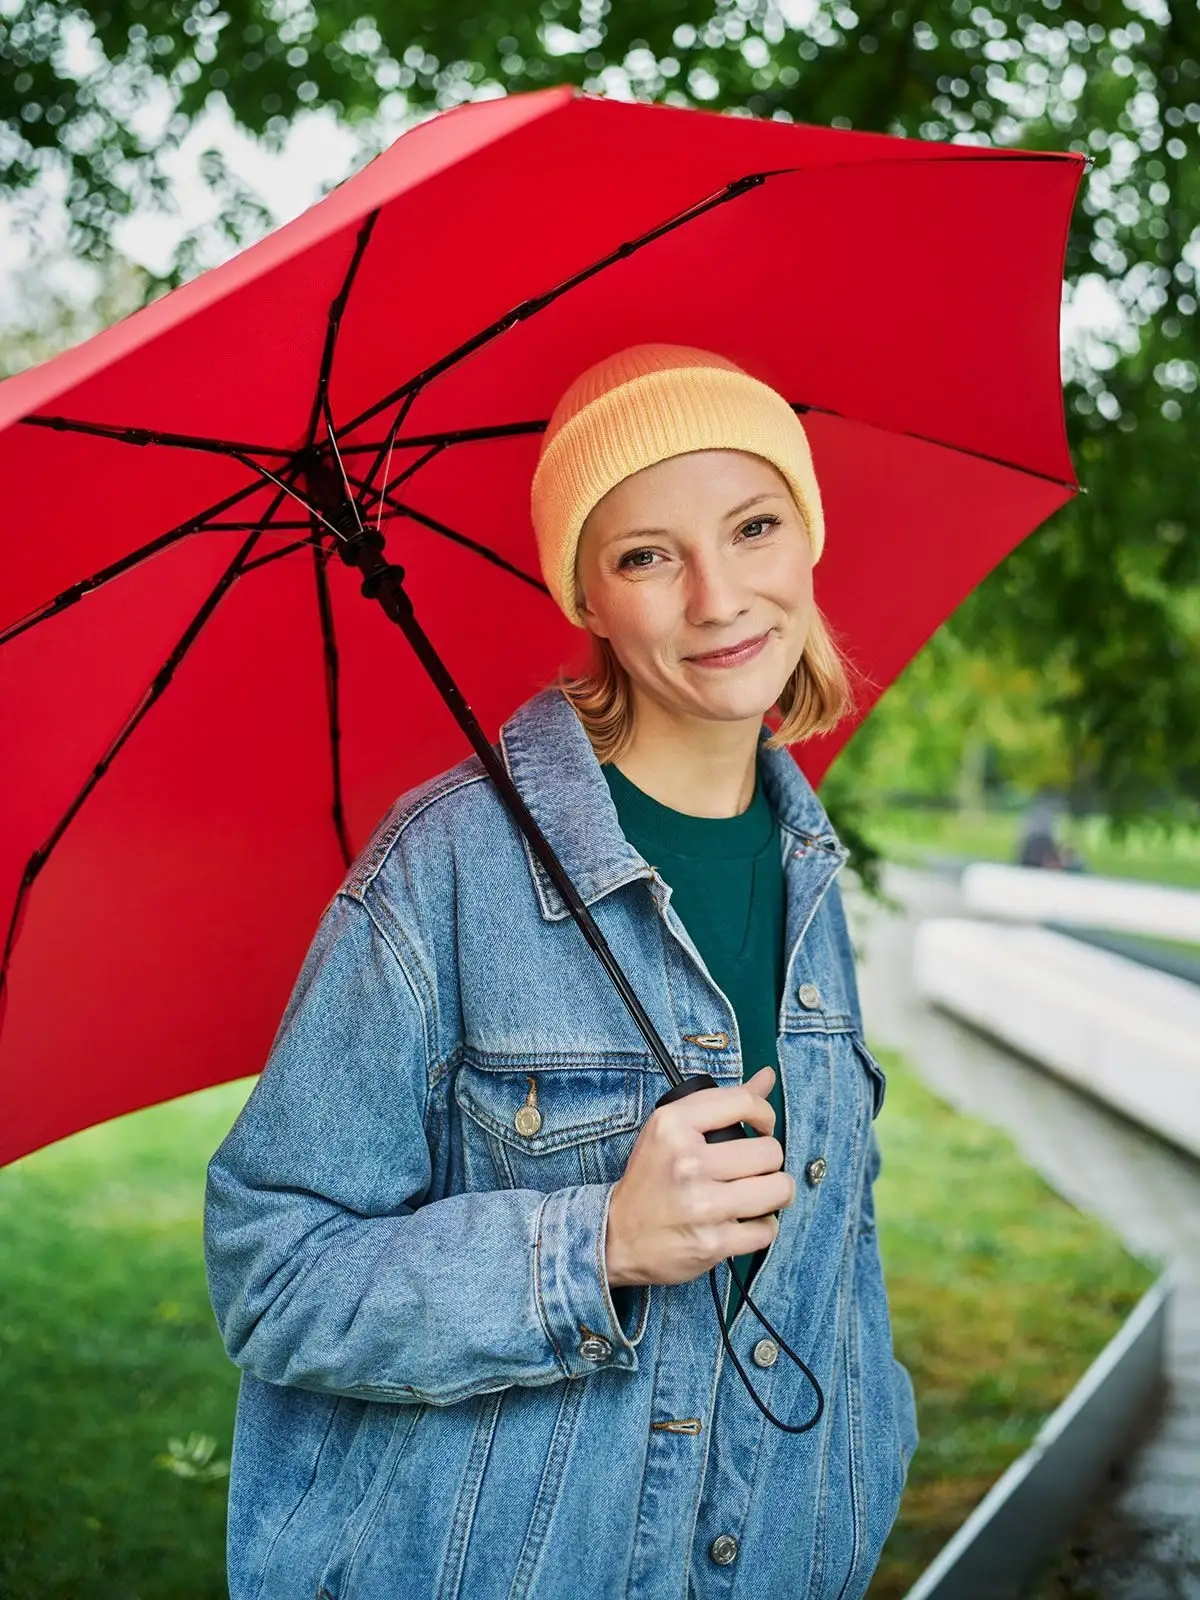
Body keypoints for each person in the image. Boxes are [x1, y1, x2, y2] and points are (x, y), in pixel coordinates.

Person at [203, 343, 919, 1600]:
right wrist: (594, 1242)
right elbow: (273, 1276)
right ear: (587, 596)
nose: (716, 596)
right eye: (647, 554)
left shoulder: (805, 859)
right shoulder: (448, 870)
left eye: (753, 526)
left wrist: (862, 1472)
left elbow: (835, 1271)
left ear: (806, 538)